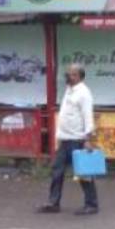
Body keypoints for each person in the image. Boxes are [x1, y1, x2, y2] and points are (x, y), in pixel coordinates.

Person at [38, 64, 98, 215]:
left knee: (83, 173)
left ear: (79, 77)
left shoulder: (84, 93)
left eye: (72, 74)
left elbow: (87, 116)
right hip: (65, 139)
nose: (68, 76)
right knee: (56, 171)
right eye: (68, 73)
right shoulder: (69, 90)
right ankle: (53, 203)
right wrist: (59, 137)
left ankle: (91, 204)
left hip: (77, 139)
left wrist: (88, 139)